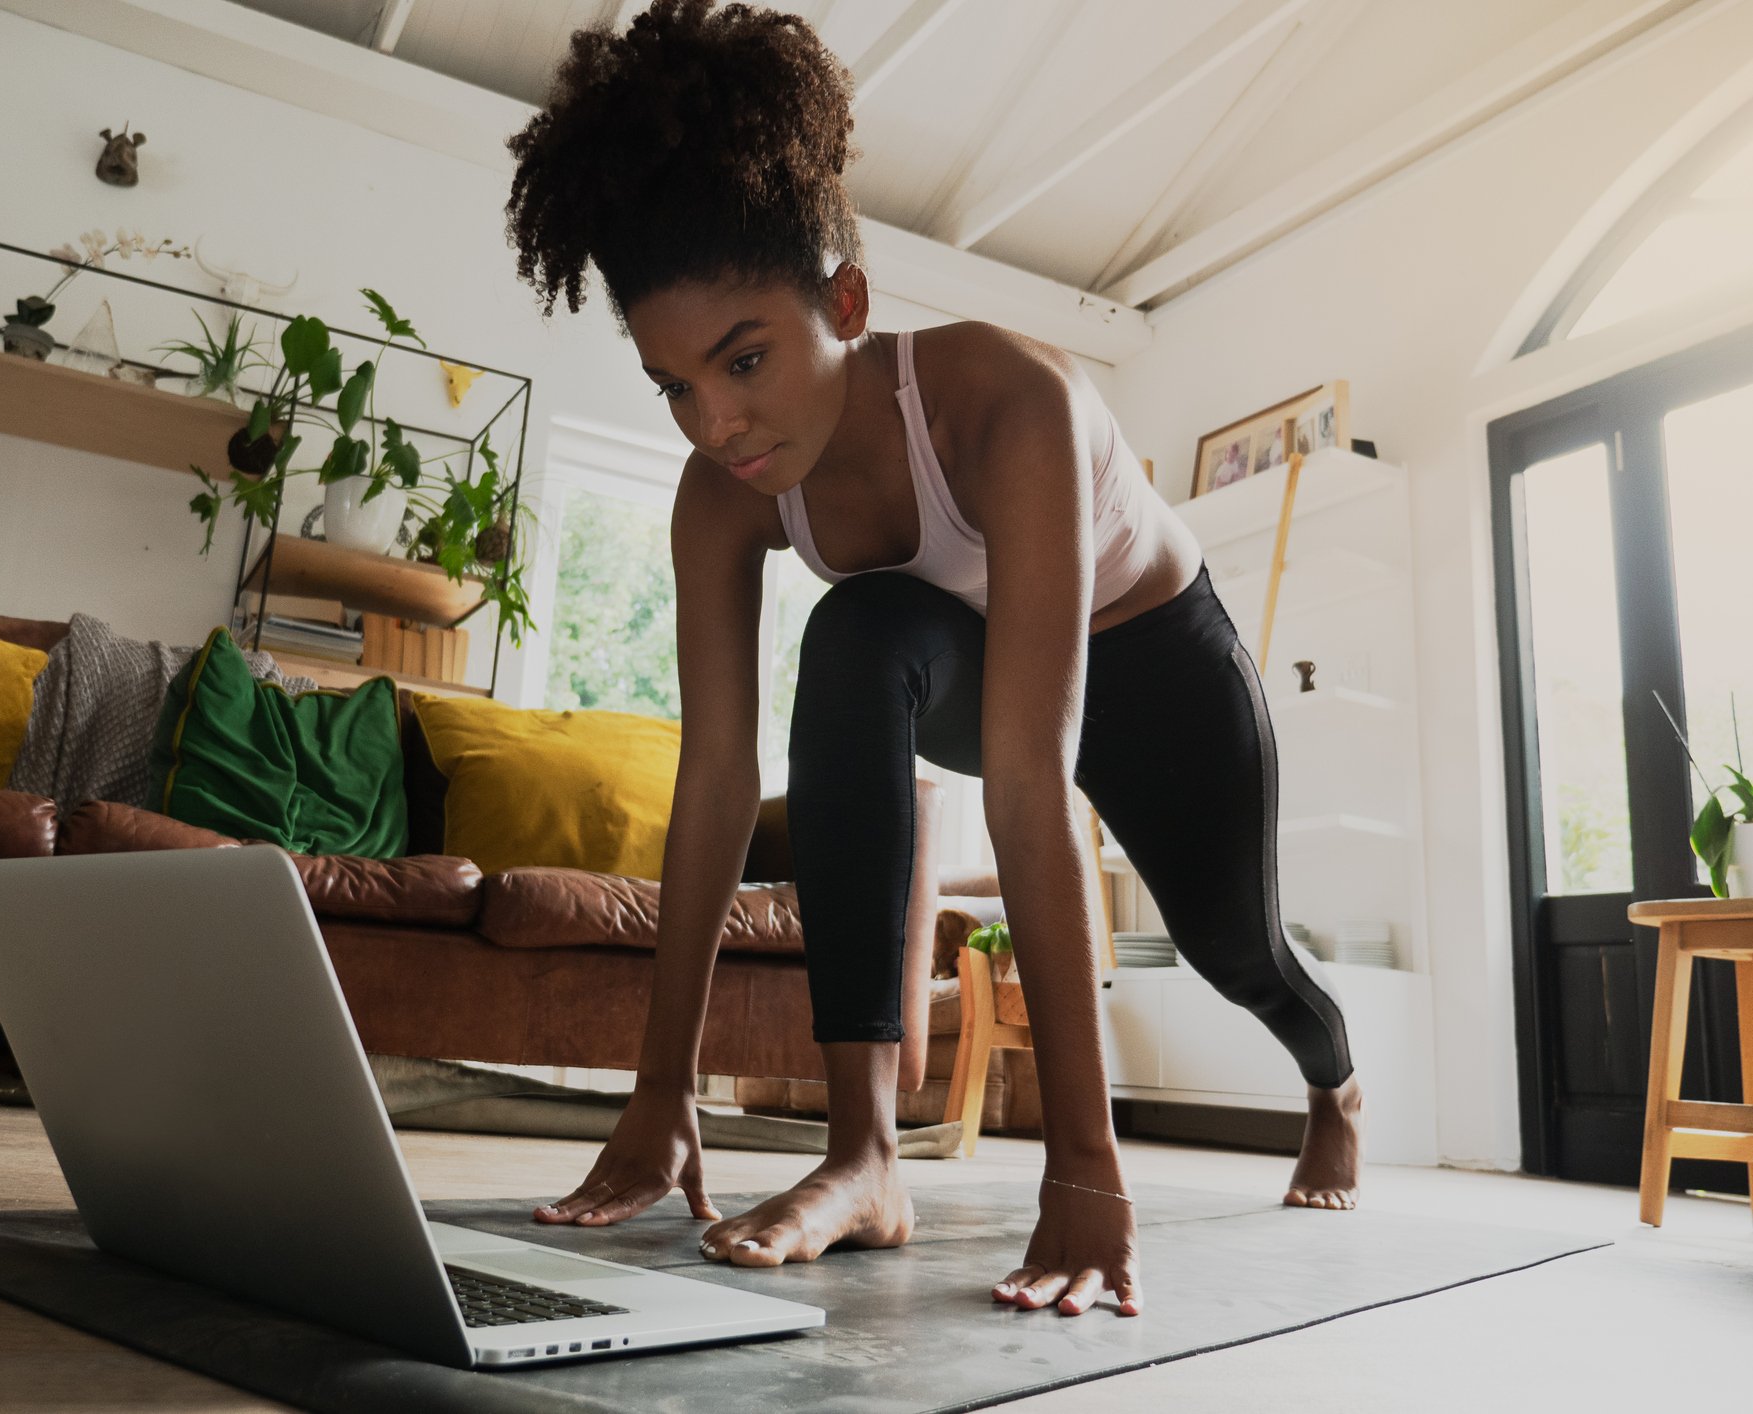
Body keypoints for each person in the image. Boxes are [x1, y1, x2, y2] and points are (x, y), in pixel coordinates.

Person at [501, 0, 1361, 1320]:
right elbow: (716, 783)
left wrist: (1083, 1164)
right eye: (673, 383)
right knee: (850, 636)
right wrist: (660, 1094)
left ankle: (1332, 1081)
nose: (716, 421)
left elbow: (1030, 783)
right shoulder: (721, 494)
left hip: (1158, 666)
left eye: (744, 358)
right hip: (965, 668)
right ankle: (864, 1155)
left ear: (842, 300)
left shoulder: (1009, 402)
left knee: (1235, 948)